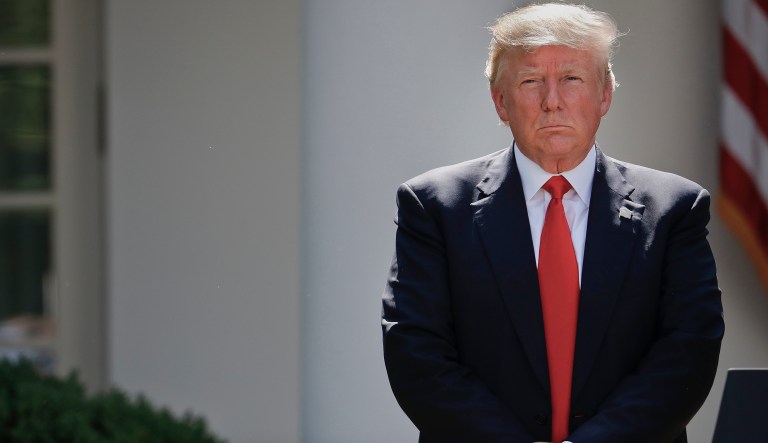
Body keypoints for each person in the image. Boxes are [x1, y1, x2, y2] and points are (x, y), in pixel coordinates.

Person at [381, 3, 724, 443]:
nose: (552, 101)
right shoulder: (433, 206)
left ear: (605, 96)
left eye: (572, 79)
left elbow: (687, 352)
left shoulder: (675, 207)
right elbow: (418, 355)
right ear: (500, 101)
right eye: (531, 82)